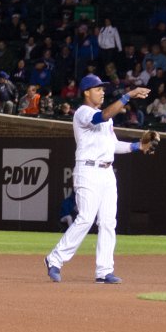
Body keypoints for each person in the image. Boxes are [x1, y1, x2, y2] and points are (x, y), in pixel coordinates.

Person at [45, 75, 152, 284]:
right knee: (85, 218)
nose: (102, 92)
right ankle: (54, 259)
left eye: (103, 89)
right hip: (88, 171)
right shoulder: (83, 113)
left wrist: (138, 146)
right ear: (86, 92)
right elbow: (100, 117)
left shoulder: (108, 119)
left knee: (108, 222)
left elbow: (114, 146)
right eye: (98, 89)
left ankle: (104, 271)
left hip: (107, 173)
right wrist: (128, 95)